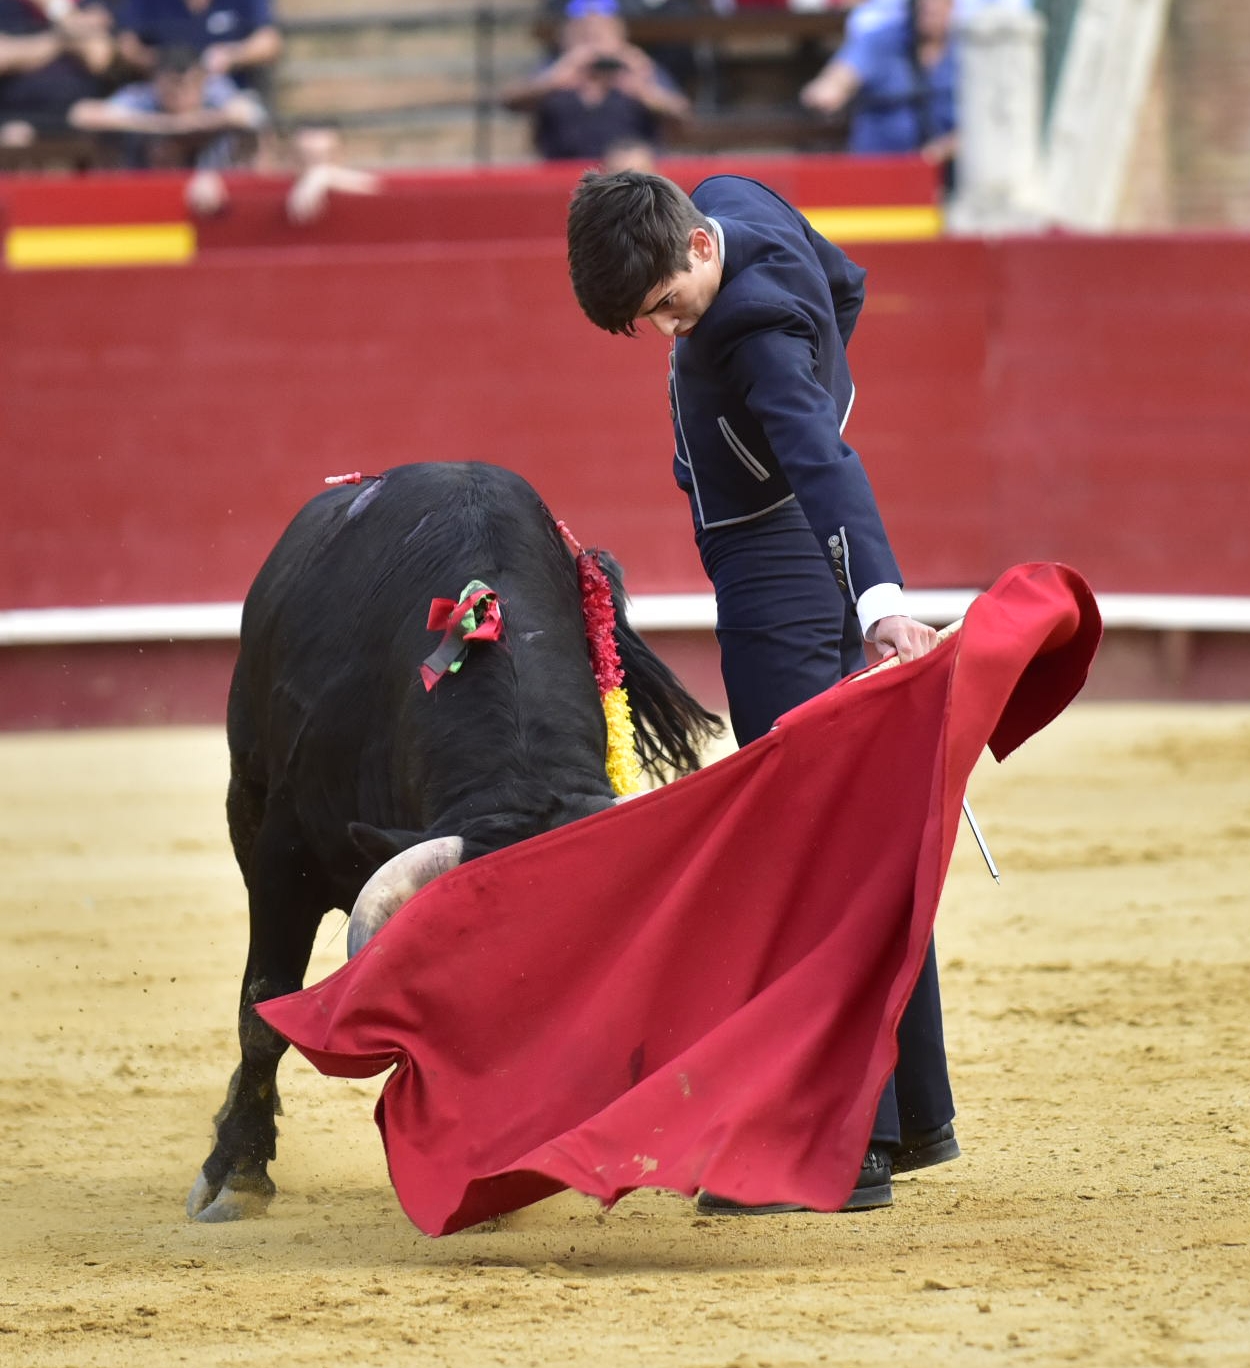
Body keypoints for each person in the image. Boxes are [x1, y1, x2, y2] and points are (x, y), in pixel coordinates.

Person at [566, 168, 959, 1213]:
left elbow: (821, 459)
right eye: (645, 321)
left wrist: (877, 599)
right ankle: (911, 1113)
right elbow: (848, 281)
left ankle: (838, 1143)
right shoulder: (734, 196)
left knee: (803, 840)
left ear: (699, 248)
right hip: (791, 553)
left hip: (777, 578)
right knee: (853, 827)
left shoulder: (752, 334)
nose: (666, 331)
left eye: (666, 305)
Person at [501, 0, 689, 163]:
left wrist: (644, 91)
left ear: (619, 34)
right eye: (582, 32)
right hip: (562, 173)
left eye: (601, 32)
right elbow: (508, 100)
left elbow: (683, 114)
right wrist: (553, 81)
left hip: (628, 178)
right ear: (564, 36)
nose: (592, 39)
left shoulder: (638, 69)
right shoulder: (555, 69)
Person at [800, 0, 960, 177]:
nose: (930, 8)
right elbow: (840, 76)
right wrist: (829, 90)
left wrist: (942, 150)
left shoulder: (967, 49)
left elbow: (981, 122)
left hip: (950, 171)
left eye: (938, 5)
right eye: (923, 6)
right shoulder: (882, 39)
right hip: (878, 168)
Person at [68, 40, 265, 168]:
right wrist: (167, 126)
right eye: (170, 87)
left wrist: (195, 124)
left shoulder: (215, 90)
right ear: (157, 80)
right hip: (148, 193)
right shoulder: (144, 95)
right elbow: (81, 114)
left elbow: (250, 114)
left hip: (212, 191)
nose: (178, 95)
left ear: (201, 81)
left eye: (186, 86)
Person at [1, 0, 114, 151]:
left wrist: (56, 10)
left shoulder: (85, 4)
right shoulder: (7, 6)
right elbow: (3, 57)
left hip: (78, 113)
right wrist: (65, 38)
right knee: (16, 136)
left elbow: (99, 57)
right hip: (17, 114)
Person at [113, 0, 280, 92]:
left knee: (246, 115)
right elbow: (126, 46)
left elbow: (269, 42)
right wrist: (161, 63)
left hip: (224, 92)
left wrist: (231, 56)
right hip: (159, 95)